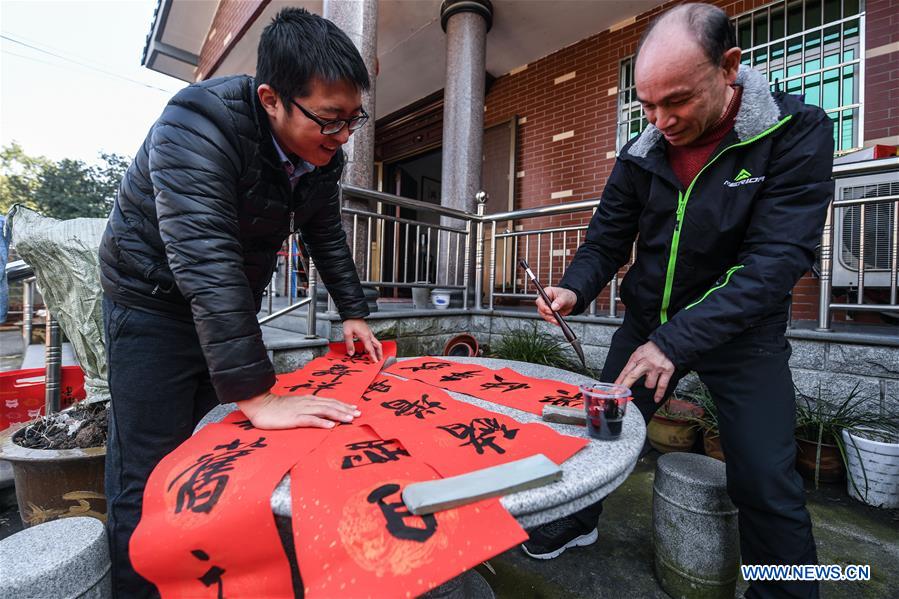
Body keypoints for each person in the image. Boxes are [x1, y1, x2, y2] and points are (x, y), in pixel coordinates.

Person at [524, 4, 833, 598]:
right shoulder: (642, 152)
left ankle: (788, 590)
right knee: (600, 431)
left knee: (766, 478)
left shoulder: (795, 134)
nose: (661, 119)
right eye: (647, 104)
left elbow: (774, 264)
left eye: (678, 101)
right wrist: (575, 285)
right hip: (647, 324)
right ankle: (578, 520)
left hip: (743, 334)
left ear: (729, 68)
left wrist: (677, 339)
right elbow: (606, 238)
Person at [98, 7, 382, 597]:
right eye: (329, 120)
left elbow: (324, 232)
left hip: (223, 305)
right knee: (148, 471)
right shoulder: (197, 121)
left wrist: (353, 310)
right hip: (149, 302)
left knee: (213, 451)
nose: (343, 136)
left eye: (353, 120)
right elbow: (205, 256)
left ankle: (204, 581)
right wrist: (256, 392)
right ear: (271, 98)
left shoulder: (323, 153)